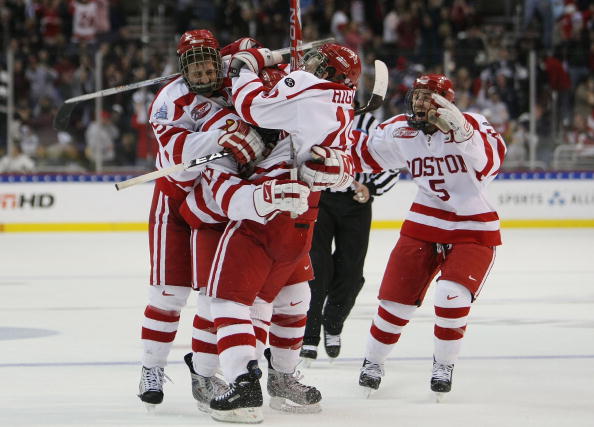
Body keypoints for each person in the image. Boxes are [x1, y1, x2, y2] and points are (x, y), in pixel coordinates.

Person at [183, 42, 362, 423]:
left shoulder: (299, 88)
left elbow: (252, 106)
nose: (305, 64)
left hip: (268, 212)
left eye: (316, 62)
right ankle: (282, 378)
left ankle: (242, 383)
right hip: (304, 217)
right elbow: (344, 161)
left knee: (224, 302)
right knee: (294, 296)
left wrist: (245, 65)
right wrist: (340, 169)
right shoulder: (341, 105)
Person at [352, 74, 506, 398]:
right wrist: (338, 130)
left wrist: (463, 133)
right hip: (423, 221)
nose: (420, 103)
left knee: (451, 296)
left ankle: (444, 364)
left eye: (428, 97)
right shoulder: (401, 129)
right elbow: (363, 155)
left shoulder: (473, 124)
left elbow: (491, 162)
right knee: (394, 301)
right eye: (417, 96)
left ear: (446, 101)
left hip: (473, 225)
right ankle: (373, 361)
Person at [137, 29, 266, 409]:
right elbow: (179, 168)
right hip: (176, 202)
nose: (203, 73)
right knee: (169, 294)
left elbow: (262, 72)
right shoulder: (168, 103)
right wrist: (226, 139)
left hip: (219, 204)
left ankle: (204, 372)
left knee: (214, 297)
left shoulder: (235, 77)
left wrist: (255, 53)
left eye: (210, 63)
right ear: (182, 68)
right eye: (194, 66)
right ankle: (152, 367)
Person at [300, 111, 400, 365]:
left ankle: (333, 322)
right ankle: (309, 335)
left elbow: (393, 161)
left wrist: (372, 188)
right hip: (320, 200)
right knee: (316, 269)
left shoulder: (370, 125)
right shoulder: (316, 119)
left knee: (351, 272)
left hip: (357, 204)